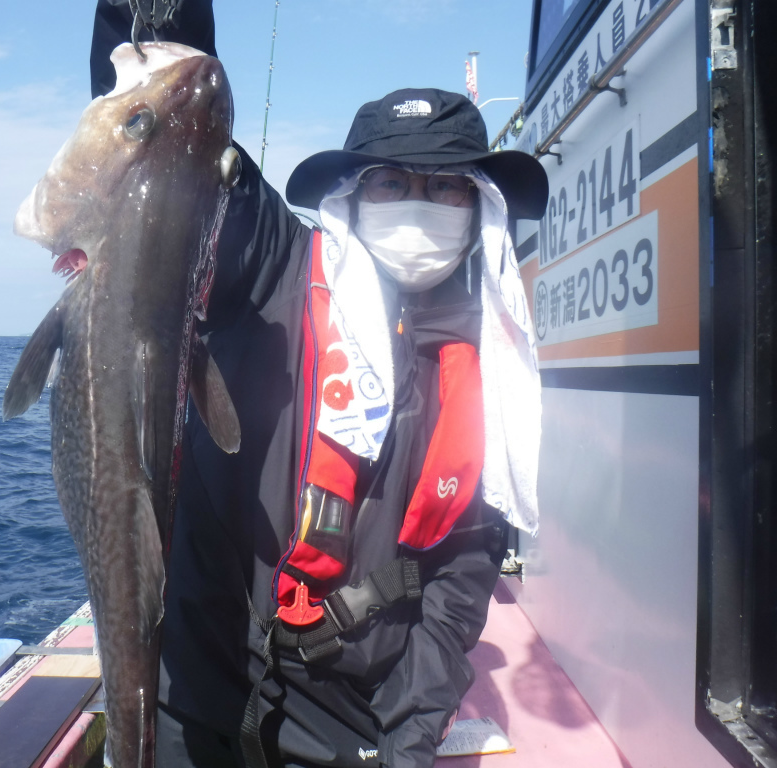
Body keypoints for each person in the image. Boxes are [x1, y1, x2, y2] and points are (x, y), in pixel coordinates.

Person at [90, 3, 548, 766]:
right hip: (200, 679)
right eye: (393, 182)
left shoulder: (495, 379)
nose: (417, 207)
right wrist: (158, 28)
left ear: (480, 211)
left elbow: (459, 584)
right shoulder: (272, 264)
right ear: (353, 197)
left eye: (447, 190)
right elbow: (172, 145)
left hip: (349, 717)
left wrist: (411, 737)